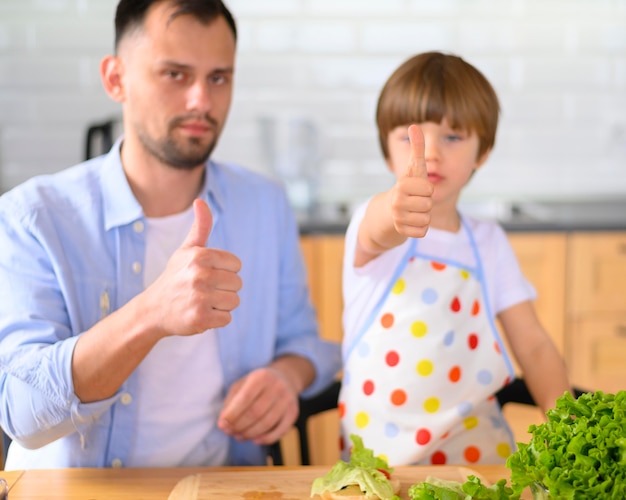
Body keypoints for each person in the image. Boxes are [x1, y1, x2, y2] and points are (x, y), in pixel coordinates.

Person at [0, 0, 340, 469]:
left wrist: (286, 377)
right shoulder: (31, 217)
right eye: (175, 74)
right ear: (116, 78)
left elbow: (305, 343)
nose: (202, 100)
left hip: (217, 486)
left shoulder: (264, 205)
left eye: (219, 77)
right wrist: (151, 313)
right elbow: (22, 412)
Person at [338, 52, 571, 466]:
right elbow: (379, 226)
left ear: (482, 153)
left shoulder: (488, 242)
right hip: (378, 457)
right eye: (410, 138)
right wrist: (396, 208)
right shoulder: (371, 224)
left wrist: (566, 430)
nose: (429, 155)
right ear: (387, 151)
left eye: (452, 137)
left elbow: (533, 347)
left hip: (474, 447)